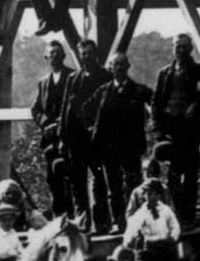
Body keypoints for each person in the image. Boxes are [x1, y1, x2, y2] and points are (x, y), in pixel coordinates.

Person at [152, 33, 200, 227]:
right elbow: (156, 103)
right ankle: (179, 212)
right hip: (171, 129)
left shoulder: (199, 71)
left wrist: (196, 105)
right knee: (173, 175)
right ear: (173, 49)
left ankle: (187, 217)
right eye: (177, 46)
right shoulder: (165, 72)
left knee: (189, 173)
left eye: (184, 47)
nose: (180, 50)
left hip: (191, 130)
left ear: (191, 49)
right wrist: (158, 130)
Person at [87, 51, 152, 230]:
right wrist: (92, 130)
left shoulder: (139, 91)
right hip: (109, 148)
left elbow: (156, 102)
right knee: (113, 188)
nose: (120, 67)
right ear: (110, 68)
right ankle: (118, 222)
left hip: (131, 146)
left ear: (128, 66)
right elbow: (85, 110)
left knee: (134, 185)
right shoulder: (103, 92)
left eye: (123, 64)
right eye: (116, 64)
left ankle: (137, 222)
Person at [62, 39, 115, 228]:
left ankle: (101, 223)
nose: (87, 57)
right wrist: (63, 137)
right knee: (78, 183)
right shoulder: (73, 79)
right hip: (77, 138)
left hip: (98, 138)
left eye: (90, 53)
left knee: (99, 182)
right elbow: (65, 110)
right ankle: (83, 222)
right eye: (83, 53)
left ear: (96, 54)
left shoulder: (106, 76)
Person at [30, 37, 82, 217]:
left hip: (70, 136)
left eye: (57, 53)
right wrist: (45, 123)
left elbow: (77, 106)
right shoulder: (43, 82)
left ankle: (75, 216)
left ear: (63, 56)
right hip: (50, 139)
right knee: (53, 178)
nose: (54, 57)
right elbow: (36, 109)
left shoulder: (74, 77)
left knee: (72, 178)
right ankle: (59, 216)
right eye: (50, 54)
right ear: (46, 57)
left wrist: (60, 123)